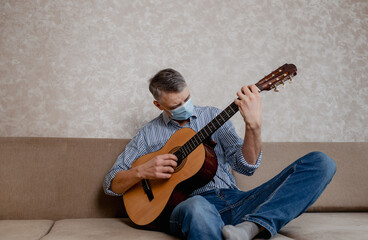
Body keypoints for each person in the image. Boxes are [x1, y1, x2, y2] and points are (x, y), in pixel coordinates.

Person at [103, 68, 336, 240]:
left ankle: (252, 226)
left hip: (236, 200)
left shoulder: (213, 116)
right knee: (197, 207)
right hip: (188, 207)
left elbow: (247, 166)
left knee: (321, 163)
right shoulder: (148, 134)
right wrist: (141, 171)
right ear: (158, 105)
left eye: (186, 99)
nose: (184, 106)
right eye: (175, 105)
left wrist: (253, 127)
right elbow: (111, 183)